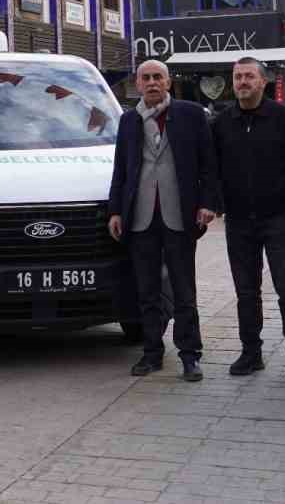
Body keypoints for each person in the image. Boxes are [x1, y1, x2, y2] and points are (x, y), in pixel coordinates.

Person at [107, 59, 219, 382]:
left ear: (168, 82)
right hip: (140, 217)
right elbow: (121, 171)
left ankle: (189, 355)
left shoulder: (191, 115)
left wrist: (208, 203)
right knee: (147, 290)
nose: (153, 83)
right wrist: (116, 211)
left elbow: (208, 163)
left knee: (184, 290)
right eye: (146, 78)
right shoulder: (128, 121)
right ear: (138, 84)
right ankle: (152, 352)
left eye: (158, 77)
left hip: (179, 215)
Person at [210, 57, 285, 380]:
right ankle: (251, 352)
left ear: (263, 82)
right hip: (239, 220)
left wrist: (281, 186)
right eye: (238, 76)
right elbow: (212, 168)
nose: (242, 82)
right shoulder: (221, 122)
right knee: (246, 291)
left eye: (249, 76)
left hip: (279, 216)